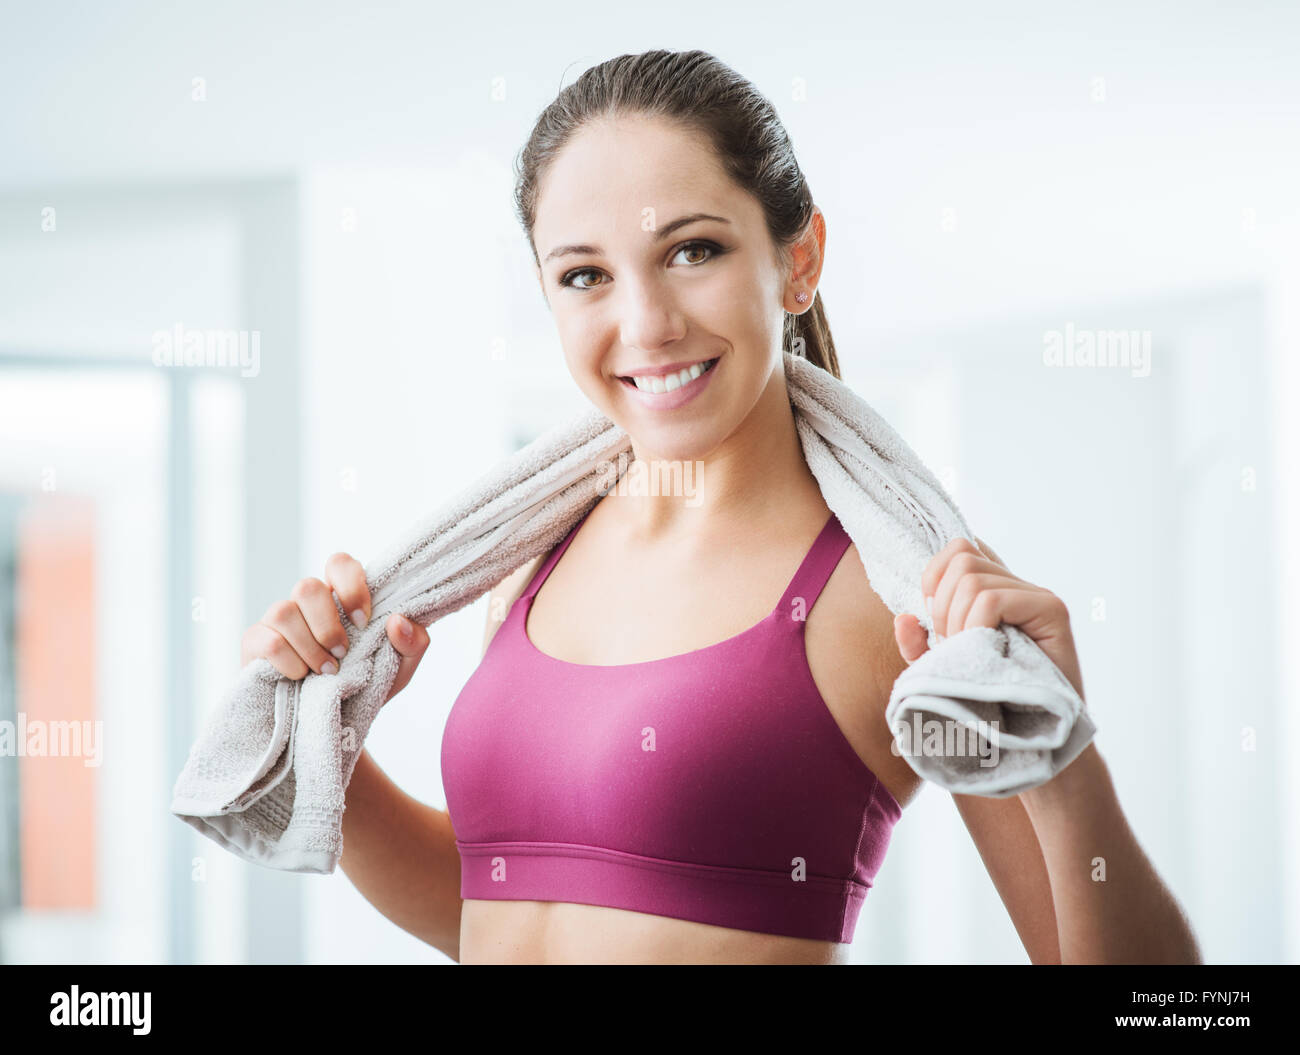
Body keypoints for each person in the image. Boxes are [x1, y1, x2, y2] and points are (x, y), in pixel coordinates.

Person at [240, 49, 1201, 965]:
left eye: (692, 250)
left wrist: (1065, 765)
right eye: (585, 274)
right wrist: (326, 739)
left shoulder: (891, 591)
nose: (646, 324)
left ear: (799, 258)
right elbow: (496, 910)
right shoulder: (531, 557)